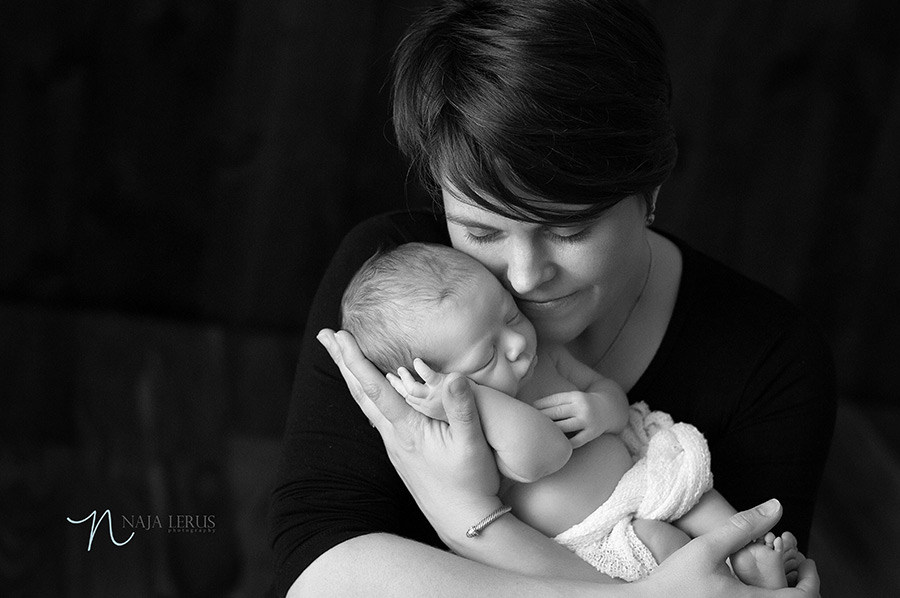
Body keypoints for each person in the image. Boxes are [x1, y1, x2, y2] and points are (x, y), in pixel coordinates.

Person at [268, 1, 835, 596]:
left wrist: (466, 523)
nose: (524, 277)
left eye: (568, 231)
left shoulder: (772, 361)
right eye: (482, 231)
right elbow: (317, 571)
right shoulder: (394, 295)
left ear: (650, 191)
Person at [340, 240, 802, 587]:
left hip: (640, 472)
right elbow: (543, 456)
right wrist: (471, 400)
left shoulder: (547, 356)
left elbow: (612, 397)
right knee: (662, 545)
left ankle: (746, 553)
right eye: (487, 358)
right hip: (594, 536)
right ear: (429, 389)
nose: (518, 343)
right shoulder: (468, 430)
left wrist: (599, 409)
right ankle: (728, 580)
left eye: (510, 315)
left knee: (697, 493)